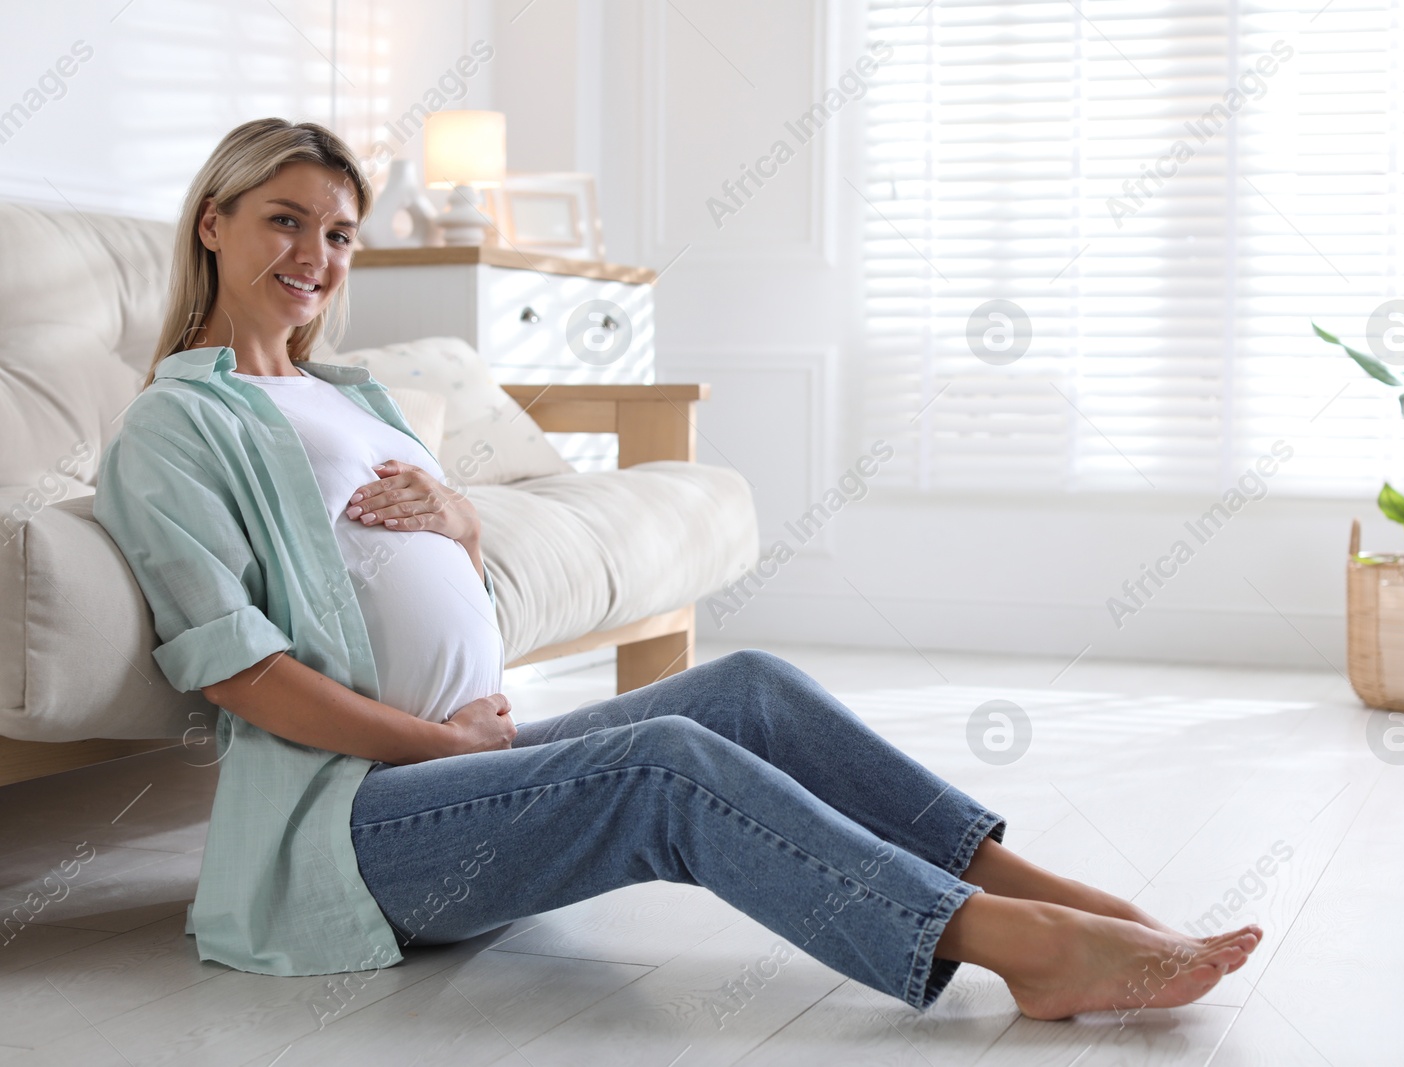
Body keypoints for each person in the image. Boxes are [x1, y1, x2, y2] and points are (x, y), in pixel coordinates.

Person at [93, 117, 1261, 1021]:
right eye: (285, 222)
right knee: (665, 765)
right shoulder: (177, 424)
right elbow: (237, 670)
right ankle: (1019, 946)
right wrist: (437, 743)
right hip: (352, 823)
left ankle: (1037, 885)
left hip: (464, 759)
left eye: (340, 233)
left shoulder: (357, 394)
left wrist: (460, 520)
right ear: (214, 222)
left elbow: (436, 579)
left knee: (745, 685)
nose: (315, 256)